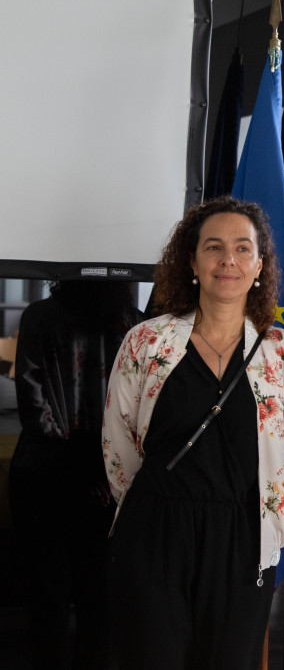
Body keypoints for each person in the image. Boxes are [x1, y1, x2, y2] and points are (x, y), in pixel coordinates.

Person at [102, 195, 284, 669]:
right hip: (155, 530)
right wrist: (158, 506)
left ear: (259, 265)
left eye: (241, 248)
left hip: (244, 534)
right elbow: (118, 445)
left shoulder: (282, 350)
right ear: (191, 261)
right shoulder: (146, 341)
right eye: (212, 247)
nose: (227, 260)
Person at [10, 280, 142, 670]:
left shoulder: (39, 316)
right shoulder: (136, 326)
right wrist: (101, 475)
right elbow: (143, 417)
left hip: (46, 476)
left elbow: (34, 409)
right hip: (106, 482)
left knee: (47, 603)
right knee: (98, 602)